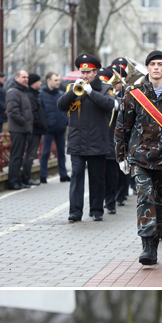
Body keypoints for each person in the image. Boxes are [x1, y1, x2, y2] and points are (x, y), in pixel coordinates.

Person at [115, 49, 162, 265]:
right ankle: (146, 247)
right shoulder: (134, 93)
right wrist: (121, 155)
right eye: (153, 65)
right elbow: (122, 125)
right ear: (148, 68)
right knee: (144, 198)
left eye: (160, 64)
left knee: (159, 202)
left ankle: (154, 244)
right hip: (140, 156)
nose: (157, 68)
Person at [58, 54, 112, 222]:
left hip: (97, 141)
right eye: (83, 72)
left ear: (96, 73)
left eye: (88, 72)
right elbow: (61, 105)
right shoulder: (73, 88)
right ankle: (75, 211)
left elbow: (109, 105)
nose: (85, 76)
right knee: (76, 178)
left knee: (97, 179)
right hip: (77, 141)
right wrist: (73, 92)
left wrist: (91, 93)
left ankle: (96, 210)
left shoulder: (105, 89)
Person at [5, 68, 33, 191]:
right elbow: (13, 112)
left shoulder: (22, 91)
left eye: (27, 77)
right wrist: (24, 122)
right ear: (16, 78)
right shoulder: (13, 92)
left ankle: (18, 180)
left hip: (23, 129)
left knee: (20, 155)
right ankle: (13, 182)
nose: (26, 79)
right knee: (16, 156)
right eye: (23, 77)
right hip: (17, 129)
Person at [39, 72, 69, 182]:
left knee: (61, 152)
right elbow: (40, 112)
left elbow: (66, 109)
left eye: (59, 80)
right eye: (55, 80)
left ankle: (63, 175)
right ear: (48, 81)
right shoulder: (41, 94)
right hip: (48, 129)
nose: (58, 82)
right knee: (45, 152)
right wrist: (45, 124)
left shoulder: (61, 94)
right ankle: (43, 176)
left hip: (60, 128)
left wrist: (66, 121)